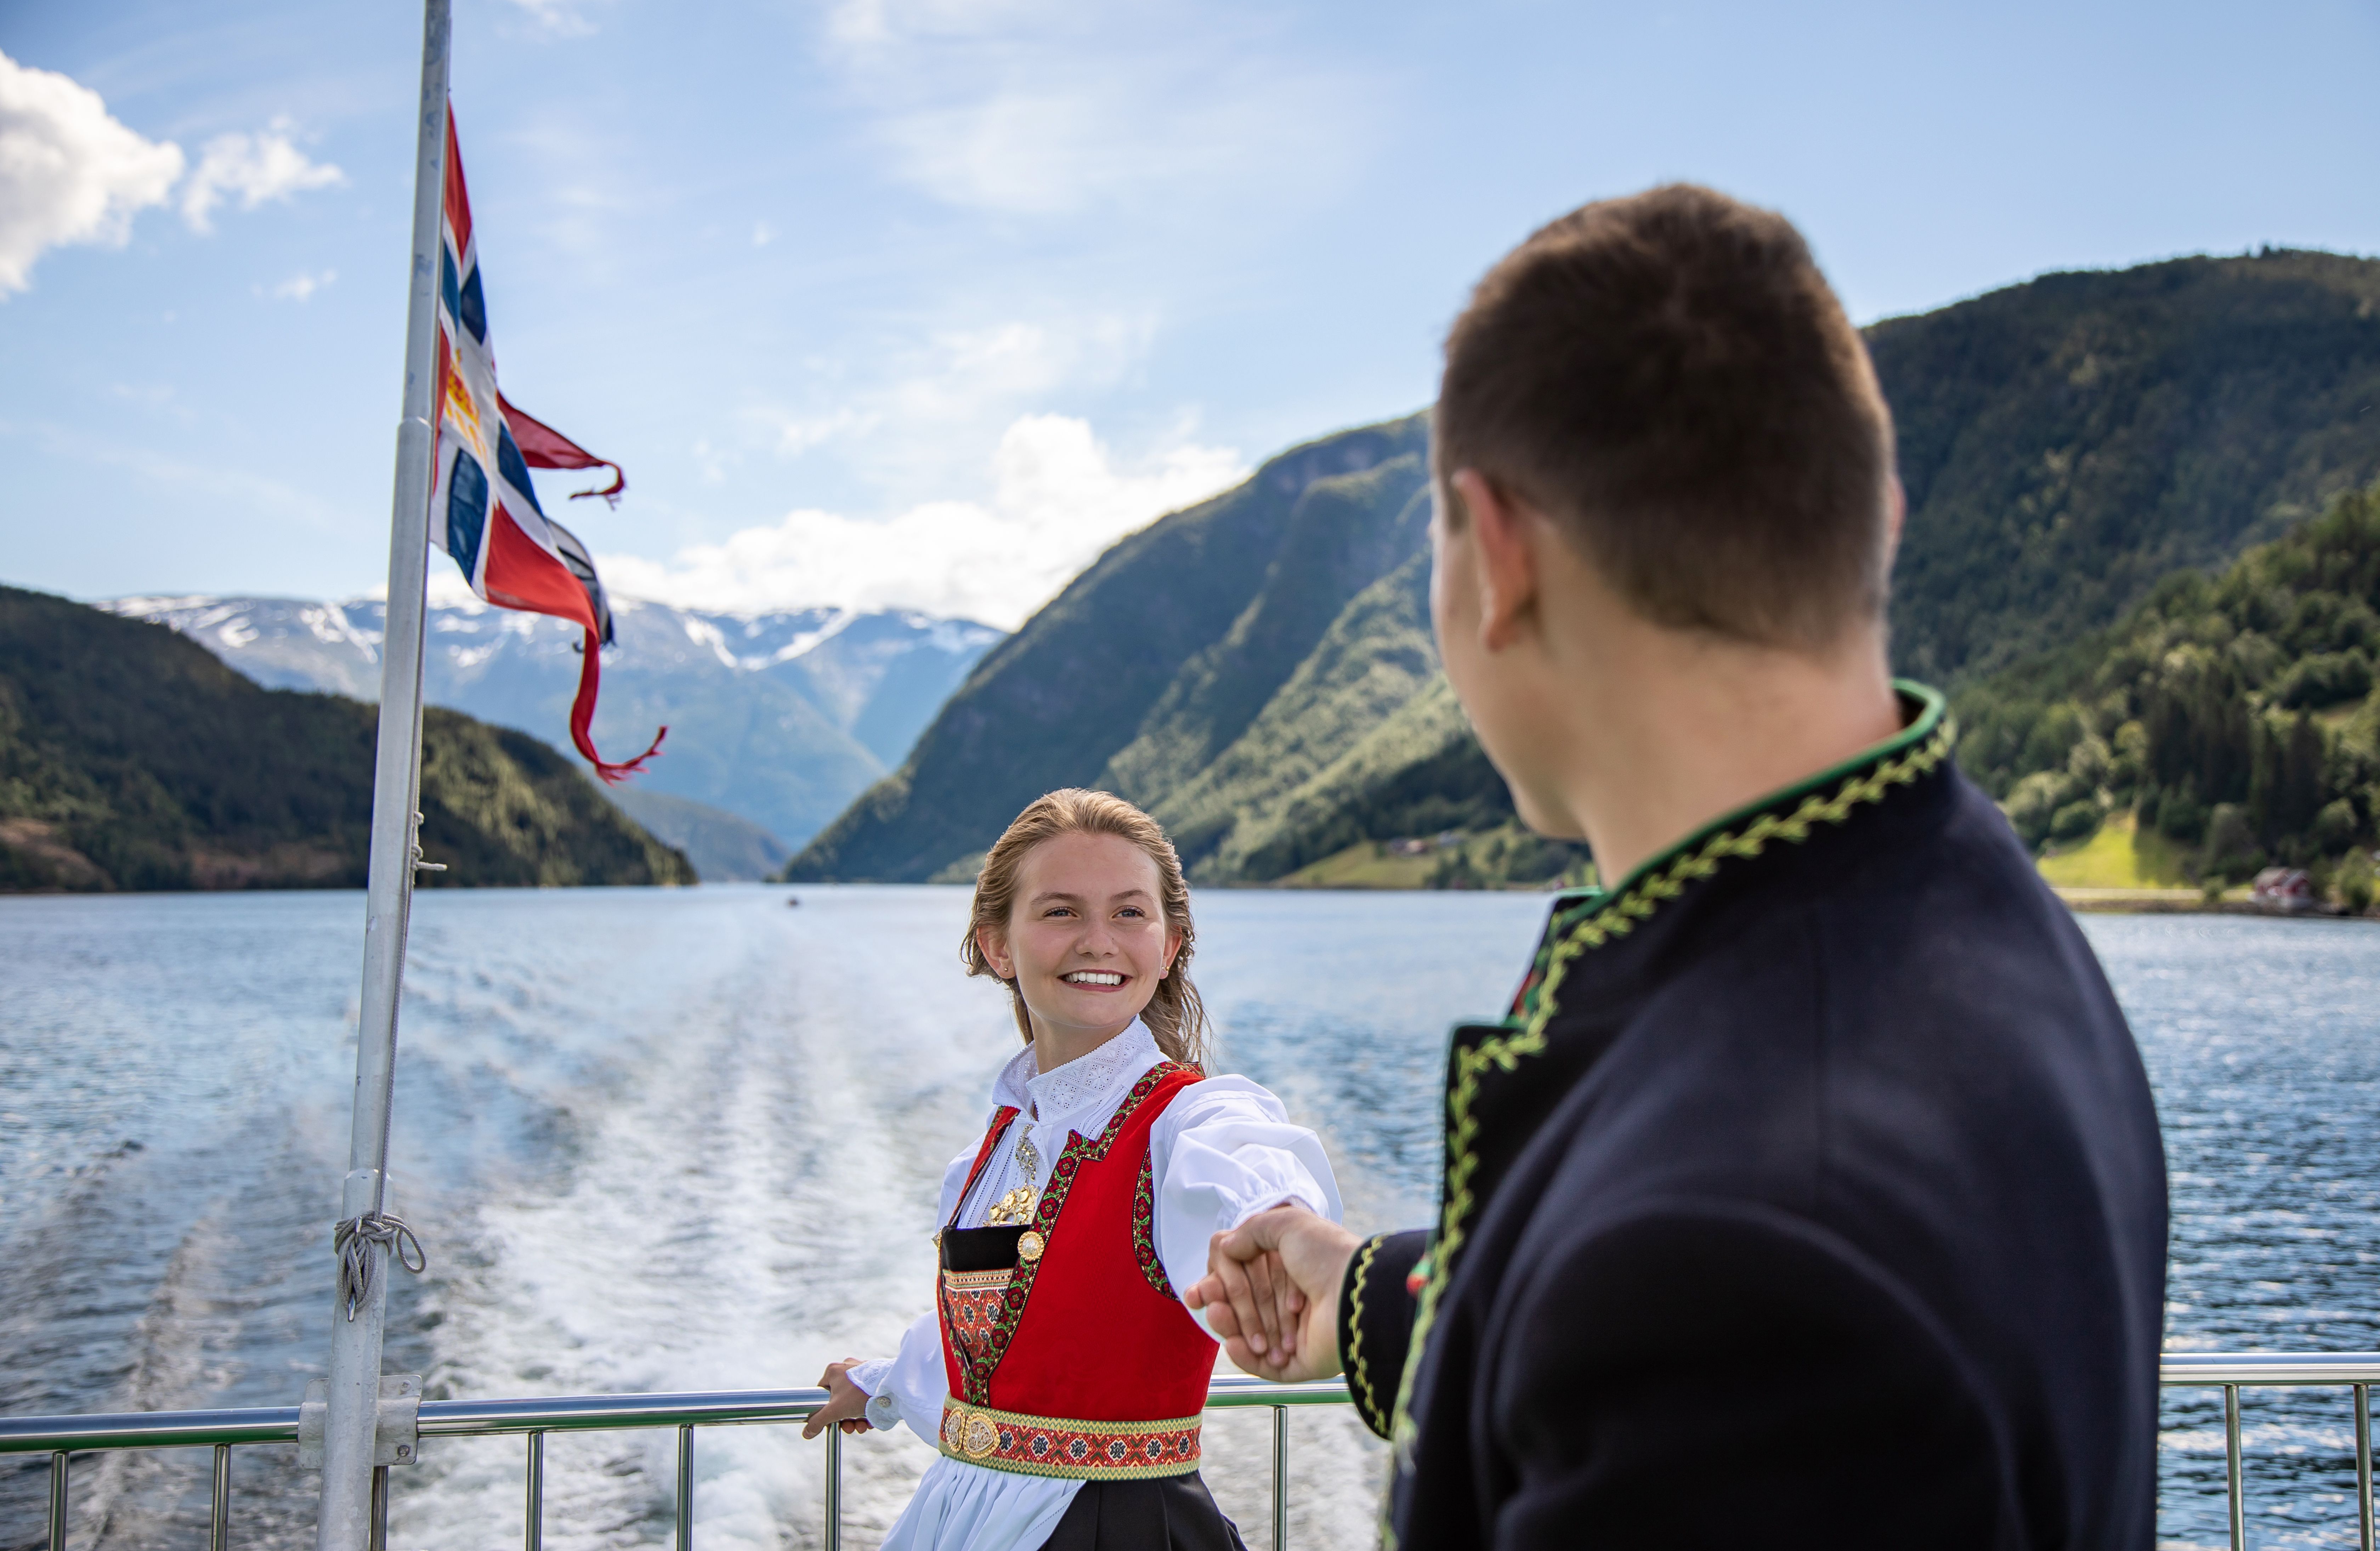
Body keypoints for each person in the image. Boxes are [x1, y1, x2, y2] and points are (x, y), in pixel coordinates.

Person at [1185, 185, 2170, 1548]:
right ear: (1874, 518)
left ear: (1501, 557)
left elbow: (1696, 1320)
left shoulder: (1733, 1255)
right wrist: (1363, 1291)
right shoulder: (1971, 900)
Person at [804, 788, 1342, 1551]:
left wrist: (1282, 1231)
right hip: (962, 1518)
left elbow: (1246, 1172)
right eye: (1060, 911)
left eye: (1130, 912)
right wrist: (883, 1380)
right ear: (997, 945)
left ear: (1170, 945)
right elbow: (1004, 1346)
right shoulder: (986, 1156)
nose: (1099, 940)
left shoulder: (1188, 1121)